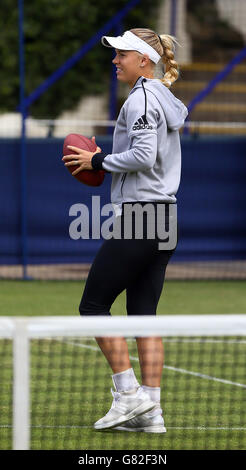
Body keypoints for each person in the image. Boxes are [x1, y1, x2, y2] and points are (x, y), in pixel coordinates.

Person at [62, 28, 188, 433]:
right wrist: (106, 158)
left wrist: (99, 160)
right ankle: (151, 413)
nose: (115, 61)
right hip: (165, 218)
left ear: (143, 60)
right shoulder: (160, 96)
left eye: (121, 55)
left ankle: (129, 395)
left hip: (142, 217)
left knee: (93, 307)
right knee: (143, 316)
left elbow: (143, 155)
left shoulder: (143, 98)